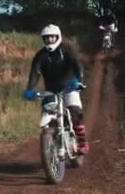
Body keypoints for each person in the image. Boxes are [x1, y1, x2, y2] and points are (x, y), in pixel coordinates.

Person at [22, 24, 89, 155]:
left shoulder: (67, 50)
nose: (50, 40)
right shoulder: (40, 56)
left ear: (58, 37)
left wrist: (80, 82)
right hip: (51, 90)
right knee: (48, 111)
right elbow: (35, 73)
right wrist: (29, 90)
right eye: (47, 38)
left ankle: (82, 142)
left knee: (75, 111)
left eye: (52, 37)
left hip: (70, 86)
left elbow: (77, 65)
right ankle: (52, 141)